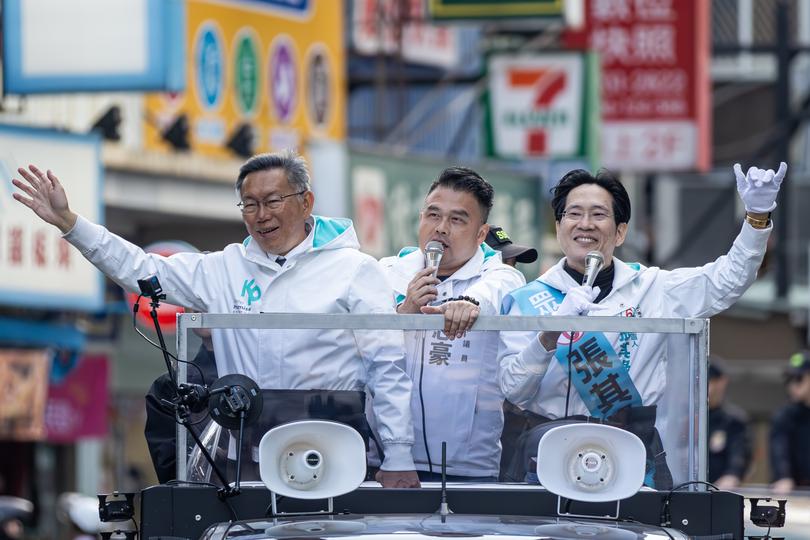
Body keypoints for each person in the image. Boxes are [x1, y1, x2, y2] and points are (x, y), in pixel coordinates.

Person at [11, 151, 418, 488]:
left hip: (334, 449)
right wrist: (70, 224)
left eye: (274, 201)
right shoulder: (224, 268)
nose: (261, 215)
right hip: (244, 454)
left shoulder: (355, 270)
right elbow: (141, 267)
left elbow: (388, 367)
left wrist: (398, 455)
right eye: (250, 204)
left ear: (306, 201)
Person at [498, 162, 786, 488]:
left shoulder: (653, 287)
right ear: (559, 225)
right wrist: (549, 335)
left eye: (598, 214)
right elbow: (513, 390)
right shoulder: (526, 299)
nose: (585, 224)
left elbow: (726, 281)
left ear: (620, 231)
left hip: (630, 458)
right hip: (547, 458)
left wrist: (756, 218)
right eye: (574, 213)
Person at [377, 167, 525, 481]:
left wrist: (469, 304)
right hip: (388, 457)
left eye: (457, 219)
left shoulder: (498, 276)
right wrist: (406, 311)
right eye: (433, 215)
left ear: (481, 234)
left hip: (468, 466)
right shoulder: (387, 272)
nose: (441, 228)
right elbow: (368, 351)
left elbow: (496, 290)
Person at [484, 225, 539, 478]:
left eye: (513, 263)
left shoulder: (523, 308)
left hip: (512, 428)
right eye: (503, 263)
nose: (511, 272)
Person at [144, 315, 218, 483]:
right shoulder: (171, 385)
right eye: (194, 298)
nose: (201, 305)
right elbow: (173, 475)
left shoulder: (266, 378)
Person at [769, 350, 810, 494]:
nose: (793, 385)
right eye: (789, 379)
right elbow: (779, 450)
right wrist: (783, 477)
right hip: (794, 492)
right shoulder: (785, 416)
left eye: (799, 379)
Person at [707, 359, 751, 489]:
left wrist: (732, 475)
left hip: (721, 491)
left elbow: (739, 455)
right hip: (687, 490)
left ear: (722, 382)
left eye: (709, 381)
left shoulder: (733, 420)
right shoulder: (686, 418)